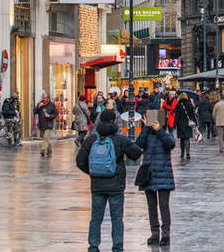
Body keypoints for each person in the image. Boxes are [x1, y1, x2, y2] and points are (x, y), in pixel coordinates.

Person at [76, 109, 143, 252]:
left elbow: (80, 161)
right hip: (116, 185)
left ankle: (93, 246)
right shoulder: (120, 139)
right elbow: (136, 154)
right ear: (114, 121)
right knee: (117, 218)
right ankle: (117, 247)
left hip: (97, 185)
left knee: (96, 218)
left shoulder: (92, 139)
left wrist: (93, 172)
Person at [136, 117, 175, 247]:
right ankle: (154, 233)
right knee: (151, 207)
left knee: (164, 206)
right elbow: (138, 144)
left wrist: (159, 130)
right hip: (149, 174)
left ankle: (165, 234)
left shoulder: (166, 134)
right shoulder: (146, 135)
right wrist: (146, 128)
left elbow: (170, 144)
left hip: (163, 174)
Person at [34, 91, 58, 157]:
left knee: (45, 137)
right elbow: (34, 112)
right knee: (45, 139)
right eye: (43, 98)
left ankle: (43, 150)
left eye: (45, 98)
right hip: (41, 124)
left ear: (47, 98)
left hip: (48, 124)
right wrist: (38, 107)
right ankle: (49, 150)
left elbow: (56, 113)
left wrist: (49, 116)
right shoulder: (40, 103)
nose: (43, 99)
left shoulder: (51, 104)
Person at [172, 91, 195, 161]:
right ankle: (188, 152)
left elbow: (176, 116)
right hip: (188, 124)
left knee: (182, 139)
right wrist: (195, 122)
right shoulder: (190, 104)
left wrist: (174, 125)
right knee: (187, 138)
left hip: (180, 124)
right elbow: (192, 115)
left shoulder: (178, 105)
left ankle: (182, 153)